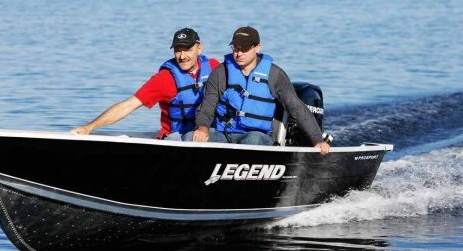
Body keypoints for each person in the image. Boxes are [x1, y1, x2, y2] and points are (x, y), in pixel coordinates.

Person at [185, 26, 330, 155]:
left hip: (258, 136)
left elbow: (296, 108)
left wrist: (317, 139)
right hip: (224, 134)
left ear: (257, 47)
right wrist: (202, 127)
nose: (239, 53)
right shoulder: (220, 72)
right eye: (235, 48)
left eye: (244, 49)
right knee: (189, 137)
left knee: (251, 141)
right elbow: (207, 107)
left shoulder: (274, 75)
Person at [71, 28, 220, 140]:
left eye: (187, 50)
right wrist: (89, 127)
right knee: (192, 137)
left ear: (199, 48)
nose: (182, 56)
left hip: (209, 132)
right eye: (177, 51)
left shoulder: (214, 67)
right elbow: (128, 105)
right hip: (178, 138)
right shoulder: (165, 79)